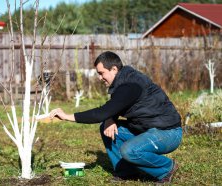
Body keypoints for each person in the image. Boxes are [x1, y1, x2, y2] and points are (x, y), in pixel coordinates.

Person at [50, 51, 182, 184]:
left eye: (101, 73)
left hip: (168, 133)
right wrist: (110, 119)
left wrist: (66, 116)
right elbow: (114, 107)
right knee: (106, 128)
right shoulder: (122, 81)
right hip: (146, 129)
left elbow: (101, 113)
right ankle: (126, 171)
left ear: (114, 69)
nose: (100, 78)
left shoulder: (130, 85)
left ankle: (167, 168)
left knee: (129, 151)